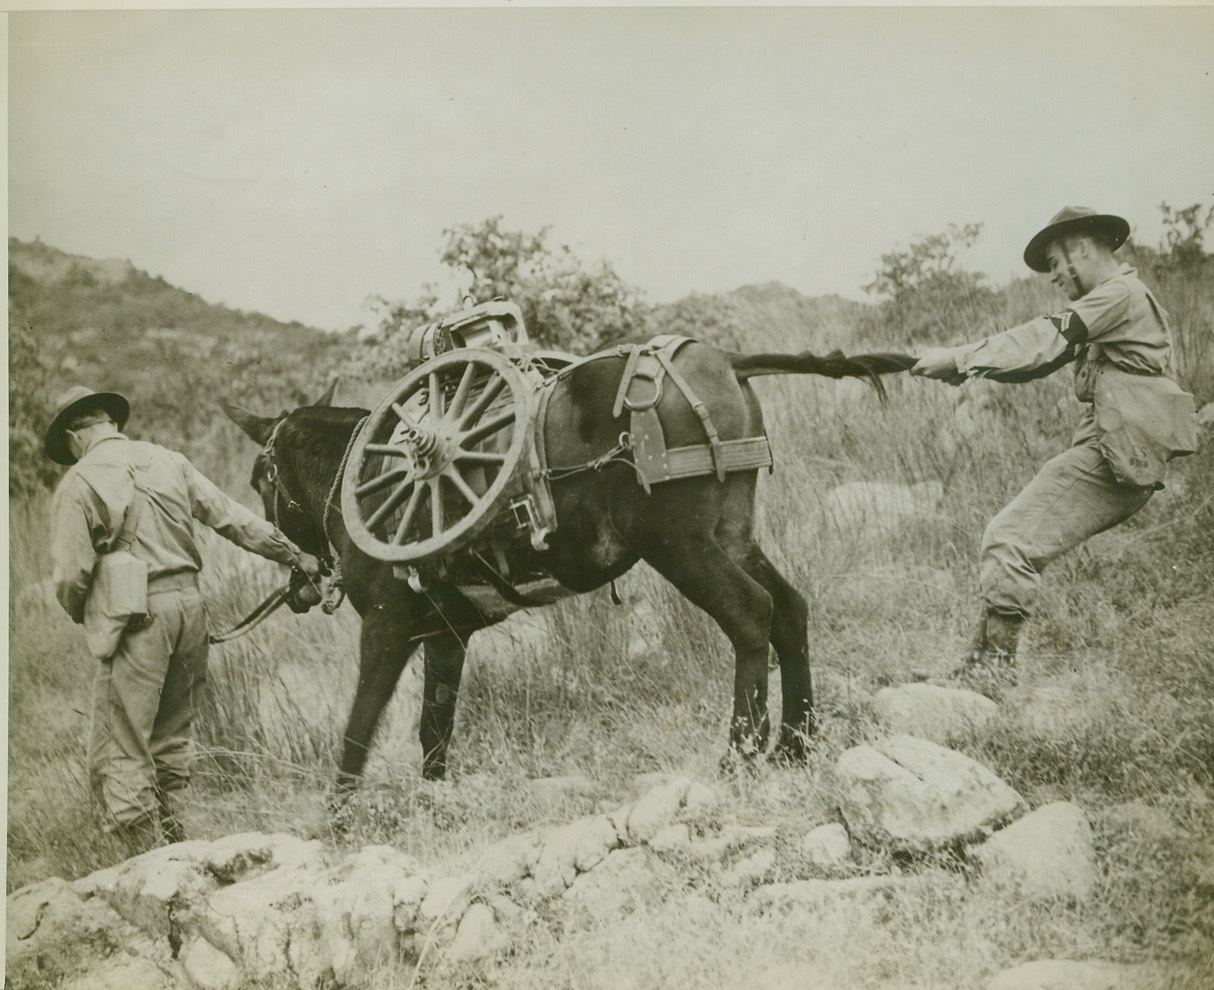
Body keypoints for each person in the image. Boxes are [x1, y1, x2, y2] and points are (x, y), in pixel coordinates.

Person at [912, 206, 1197, 694]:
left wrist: (962, 357)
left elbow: (1046, 338)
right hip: (1110, 451)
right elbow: (1038, 361)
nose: (1051, 276)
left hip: (1114, 457)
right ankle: (980, 663)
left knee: (1009, 539)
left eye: (1054, 261)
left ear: (1083, 246)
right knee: (1010, 537)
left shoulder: (1119, 294)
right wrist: (967, 366)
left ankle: (992, 675)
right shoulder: (1117, 298)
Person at [46, 385, 322, 852]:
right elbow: (232, 518)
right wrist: (297, 555)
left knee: (122, 746)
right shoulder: (166, 459)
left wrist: (93, 614)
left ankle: (145, 868)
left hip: (135, 618)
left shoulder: (78, 482)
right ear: (111, 423)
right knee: (172, 740)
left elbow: (72, 577)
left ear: (75, 437)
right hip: (191, 610)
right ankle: (182, 851)